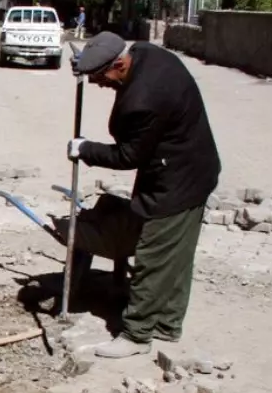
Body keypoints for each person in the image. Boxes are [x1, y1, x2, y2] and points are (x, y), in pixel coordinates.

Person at [60, 31, 221, 359]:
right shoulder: (147, 53)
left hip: (177, 181)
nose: (97, 84)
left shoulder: (144, 100)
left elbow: (128, 156)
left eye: (99, 76)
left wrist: (86, 149)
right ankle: (167, 324)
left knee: (152, 254)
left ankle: (137, 335)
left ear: (119, 63)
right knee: (176, 255)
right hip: (191, 168)